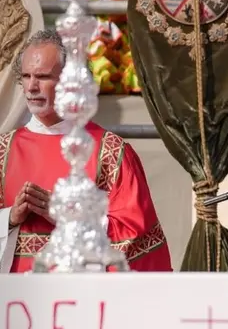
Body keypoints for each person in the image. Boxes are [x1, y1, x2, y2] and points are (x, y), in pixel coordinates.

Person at [0, 29, 173, 272]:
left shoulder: (110, 153)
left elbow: (136, 240)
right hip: (15, 300)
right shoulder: (3, 152)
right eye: (26, 76)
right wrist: (10, 218)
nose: (31, 87)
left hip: (82, 298)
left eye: (42, 77)